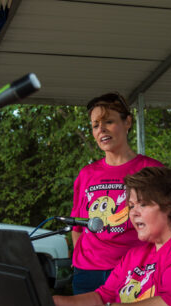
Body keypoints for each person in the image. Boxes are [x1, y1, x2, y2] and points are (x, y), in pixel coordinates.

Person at [54, 167, 171, 306]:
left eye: (142, 204)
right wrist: (54, 302)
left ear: (170, 206)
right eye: (130, 205)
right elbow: (101, 297)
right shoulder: (135, 255)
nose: (133, 213)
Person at [70, 92, 163, 295]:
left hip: (134, 271)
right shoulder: (87, 174)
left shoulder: (151, 169)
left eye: (108, 122)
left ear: (127, 122)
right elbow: (77, 226)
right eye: (95, 125)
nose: (101, 129)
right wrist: (79, 260)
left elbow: (168, 225)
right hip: (87, 272)